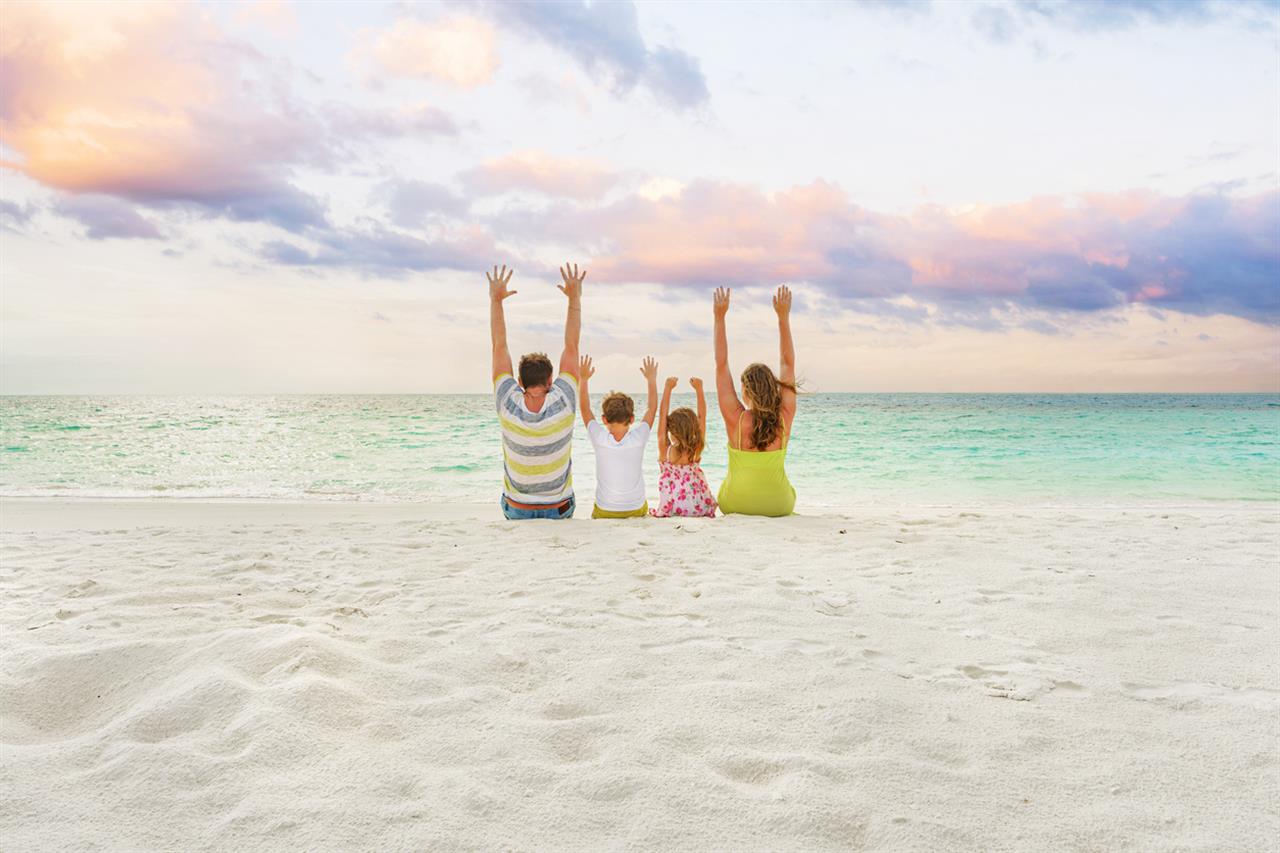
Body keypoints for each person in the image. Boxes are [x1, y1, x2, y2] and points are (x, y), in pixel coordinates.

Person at [489, 262, 585, 520]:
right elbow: (572, 346)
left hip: (517, 509)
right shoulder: (564, 399)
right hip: (559, 508)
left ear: (519, 381)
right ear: (551, 379)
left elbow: (499, 347)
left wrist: (495, 301)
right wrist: (574, 298)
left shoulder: (507, 401)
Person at [713, 284, 798, 516]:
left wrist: (719, 318)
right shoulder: (785, 416)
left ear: (746, 392)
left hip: (735, 505)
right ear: (773, 388)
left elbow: (721, 366)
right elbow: (787, 364)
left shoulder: (736, 419)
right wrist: (783, 317)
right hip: (778, 505)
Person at [577, 354, 657, 519]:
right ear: (632, 419)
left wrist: (583, 379)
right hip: (635, 509)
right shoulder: (639, 438)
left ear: (604, 419)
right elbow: (652, 409)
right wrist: (651, 379)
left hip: (606, 510)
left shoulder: (599, 438)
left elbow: (585, 409)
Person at [650, 376, 718, 518]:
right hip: (698, 508)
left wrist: (668, 389)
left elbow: (662, 415)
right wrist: (699, 390)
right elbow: (702, 416)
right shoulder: (695, 449)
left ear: (670, 431)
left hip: (673, 509)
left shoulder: (665, 450)